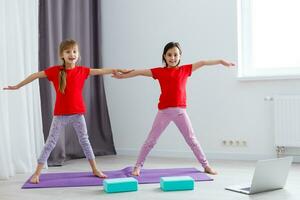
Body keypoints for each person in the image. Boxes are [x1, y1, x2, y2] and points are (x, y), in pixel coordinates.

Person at [3, 39, 129, 183]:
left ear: (78, 54)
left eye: (74, 51)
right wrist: (18, 86)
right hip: (60, 116)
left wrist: (118, 69)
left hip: (77, 114)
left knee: (85, 142)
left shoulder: (82, 71)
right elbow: (35, 75)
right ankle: (37, 173)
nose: (72, 54)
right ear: (62, 55)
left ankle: (95, 169)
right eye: (68, 51)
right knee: (50, 143)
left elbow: (101, 71)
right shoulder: (55, 71)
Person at [113, 42, 235, 176]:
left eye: (175, 55)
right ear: (164, 57)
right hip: (164, 112)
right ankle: (137, 167)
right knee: (150, 141)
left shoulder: (185, 70)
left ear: (180, 56)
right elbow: (139, 72)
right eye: (169, 55)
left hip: (180, 112)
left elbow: (203, 62)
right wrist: (122, 76)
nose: (173, 58)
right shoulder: (159, 72)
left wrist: (221, 61)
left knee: (192, 140)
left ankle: (206, 165)